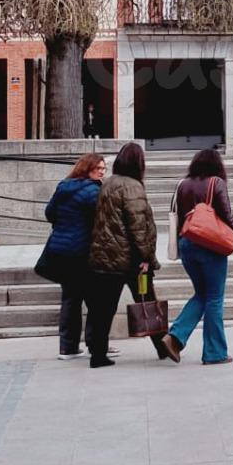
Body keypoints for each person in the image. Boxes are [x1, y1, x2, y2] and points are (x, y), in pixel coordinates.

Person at [161, 148, 233, 365]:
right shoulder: (216, 183)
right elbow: (228, 216)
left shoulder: (183, 183)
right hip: (209, 244)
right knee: (215, 298)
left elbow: (178, 215)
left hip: (187, 244)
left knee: (202, 294)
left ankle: (175, 337)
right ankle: (214, 352)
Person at [90, 142, 162, 359]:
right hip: (131, 261)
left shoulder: (108, 183)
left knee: (104, 309)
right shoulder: (133, 187)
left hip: (106, 257)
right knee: (149, 304)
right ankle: (163, 347)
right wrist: (147, 257)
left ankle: (98, 354)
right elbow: (139, 227)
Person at [41, 152, 108, 365]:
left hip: (61, 250)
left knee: (71, 298)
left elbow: (49, 213)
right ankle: (95, 344)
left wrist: (65, 226)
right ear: (87, 168)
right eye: (98, 168)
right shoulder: (93, 191)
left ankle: (68, 346)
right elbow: (100, 222)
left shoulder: (64, 186)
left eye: (104, 169)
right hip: (82, 251)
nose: (102, 172)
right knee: (96, 299)